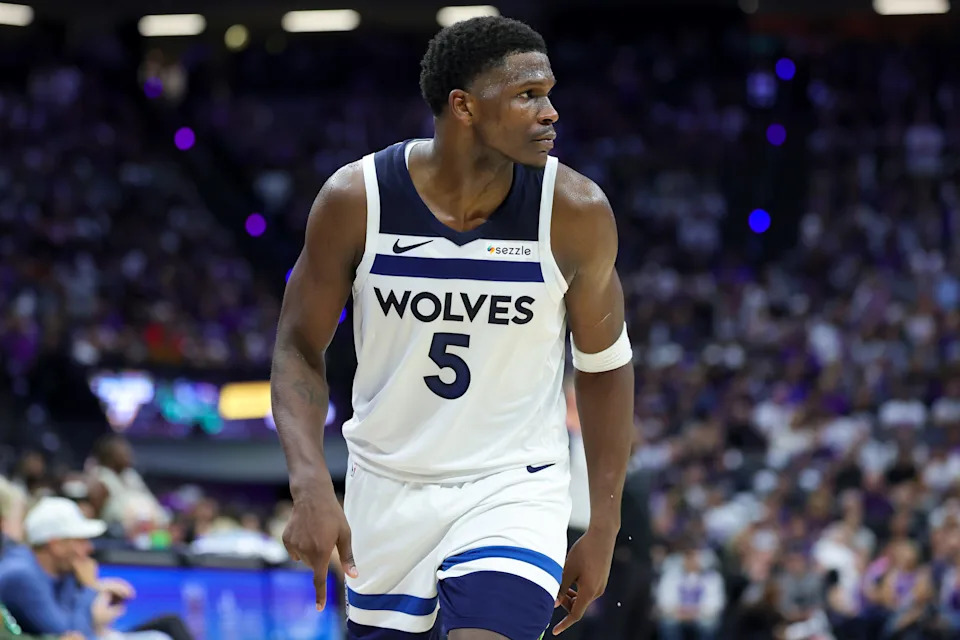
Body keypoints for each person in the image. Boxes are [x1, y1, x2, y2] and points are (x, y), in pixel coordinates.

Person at [271, 15, 635, 640]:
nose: (550, 113)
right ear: (463, 106)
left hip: (513, 487)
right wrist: (309, 484)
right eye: (527, 95)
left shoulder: (574, 211)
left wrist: (603, 524)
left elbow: (604, 366)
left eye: (549, 93)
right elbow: (299, 346)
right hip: (386, 487)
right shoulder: (358, 200)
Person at [0, 497, 171, 640]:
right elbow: (72, 634)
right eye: (80, 541)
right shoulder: (21, 575)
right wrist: (89, 588)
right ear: (56, 545)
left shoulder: (58, 569)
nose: (88, 548)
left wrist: (95, 587)